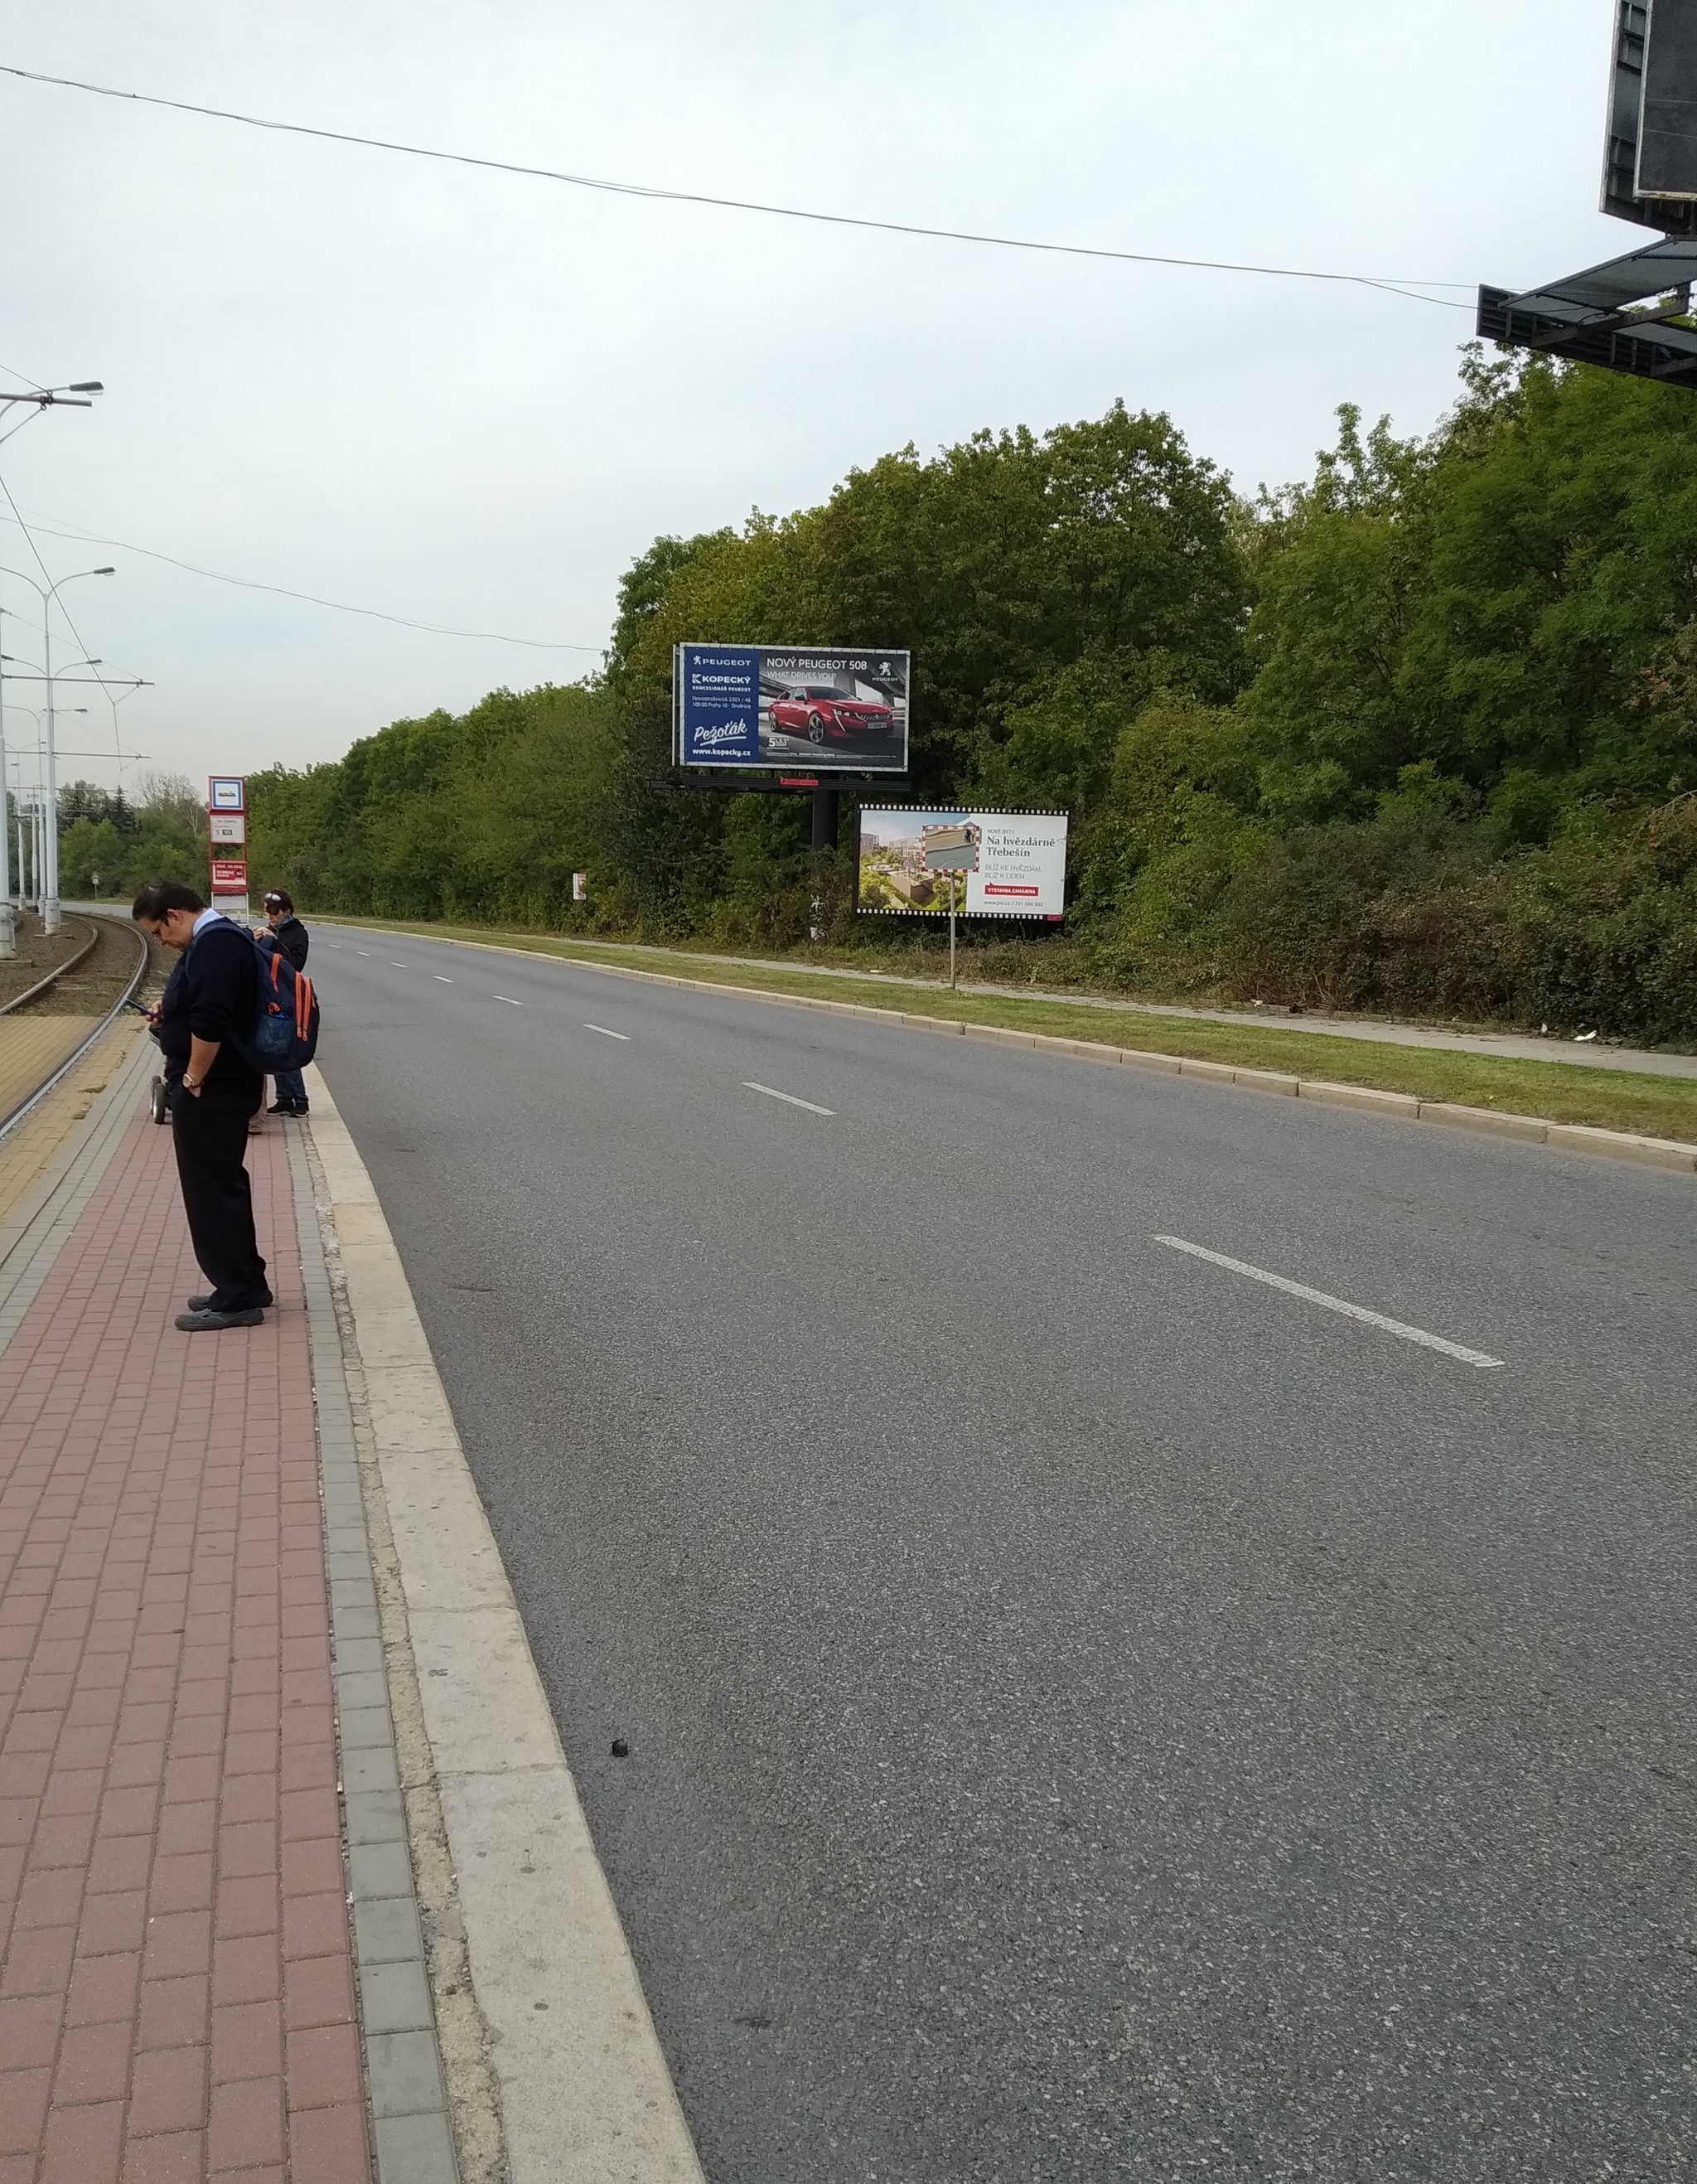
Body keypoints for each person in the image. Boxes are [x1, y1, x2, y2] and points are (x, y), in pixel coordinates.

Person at [132, 879, 273, 1333]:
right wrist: (169, 1008)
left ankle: (237, 1298)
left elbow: (211, 1021)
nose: (160, 941)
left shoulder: (214, 944)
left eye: (157, 932)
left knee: (211, 1193)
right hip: (223, 1088)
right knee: (224, 1186)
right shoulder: (216, 940)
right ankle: (245, 1281)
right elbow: (202, 1005)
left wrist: (192, 1078)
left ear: (174, 914)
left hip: (212, 1091)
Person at [256, 889, 311, 1115]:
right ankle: (284, 1098)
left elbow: (295, 964)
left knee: (285, 1046)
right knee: (274, 1046)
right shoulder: (269, 930)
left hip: (288, 995)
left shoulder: (298, 933)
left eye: (275, 912)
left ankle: (299, 1099)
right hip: (270, 993)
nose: (271, 916)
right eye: (267, 912)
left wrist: (275, 943)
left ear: (286, 911)